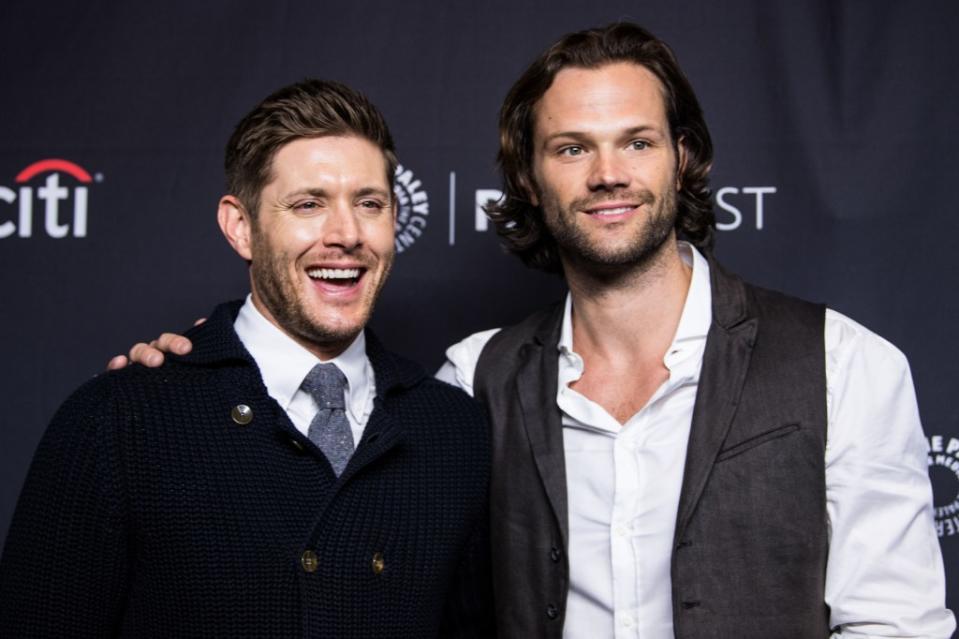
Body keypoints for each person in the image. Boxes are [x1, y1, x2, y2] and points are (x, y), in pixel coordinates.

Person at [108, 23, 955, 639]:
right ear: (529, 176)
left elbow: (897, 625)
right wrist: (204, 371)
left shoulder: (841, 363)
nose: (609, 173)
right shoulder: (466, 382)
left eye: (636, 142)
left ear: (682, 159)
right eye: (571, 148)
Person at [0, 79, 493, 638]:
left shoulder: (454, 429)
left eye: (369, 204)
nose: (347, 234)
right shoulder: (119, 421)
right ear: (242, 227)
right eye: (309, 204)